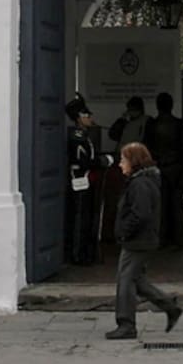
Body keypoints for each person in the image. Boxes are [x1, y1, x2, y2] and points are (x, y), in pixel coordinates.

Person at [107, 142, 183, 340]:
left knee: (125, 280)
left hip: (137, 241)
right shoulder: (143, 180)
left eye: (123, 160)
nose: (120, 164)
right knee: (137, 280)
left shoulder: (140, 184)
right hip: (141, 239)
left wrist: (124, 232)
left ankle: (126, 324)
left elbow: (140, 214)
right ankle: (169, 306)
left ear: (134, 162)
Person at [64, 93, 113, 265]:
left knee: (87, 217)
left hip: (87, 181)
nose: (90, 118)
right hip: (79, 181)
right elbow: (83, 161)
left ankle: (85, 251)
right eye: (86, 115)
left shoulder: (84, 135)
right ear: (78, 118)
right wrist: (103, 161)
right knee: (80, 219)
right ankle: (78, 254)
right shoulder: (77, 138)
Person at [142, 92, 183, 248]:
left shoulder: (152, 124)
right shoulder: (179, 124)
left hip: (158, 167)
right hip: (176, 168)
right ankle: (180, 239)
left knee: (160, 206)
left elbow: (146, 147)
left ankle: (161, 238)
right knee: (177, 206)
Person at [102, 96, 150, 243]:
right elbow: (113, 134)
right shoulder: (127, 123)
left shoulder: (146, 122)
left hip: (134, 162)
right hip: (122, 160)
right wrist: (122, 120)